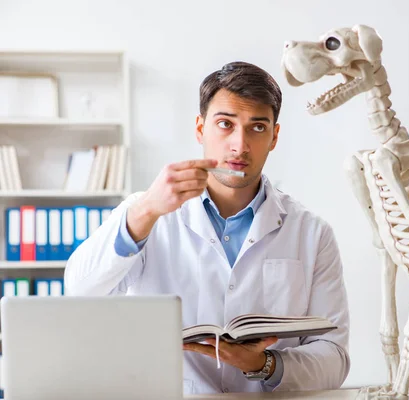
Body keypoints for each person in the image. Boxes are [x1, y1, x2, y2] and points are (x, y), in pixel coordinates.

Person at [64, 61, 350, 395]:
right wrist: (144, 211)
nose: (239, 145)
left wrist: (263, 365)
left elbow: (334, 359)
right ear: (200, 129)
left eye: (257, 128)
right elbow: (80, 291)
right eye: (225, 124)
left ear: (274, 136)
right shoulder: (148, 213)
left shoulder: (311, 233)